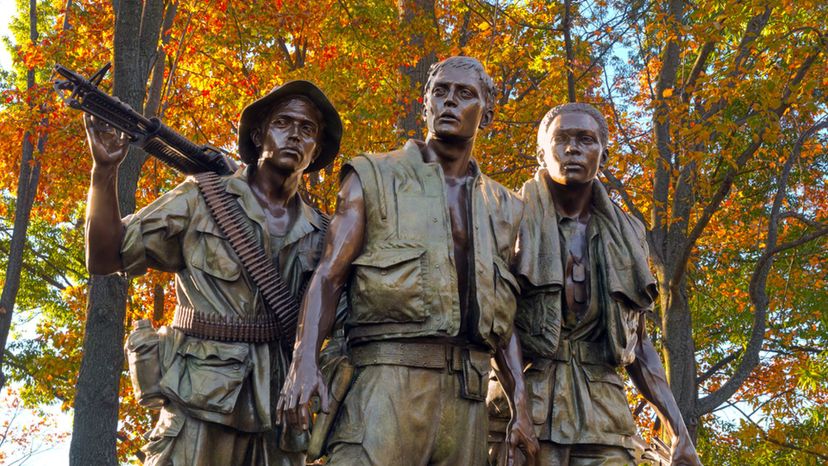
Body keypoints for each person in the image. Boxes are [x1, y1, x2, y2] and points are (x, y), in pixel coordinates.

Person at [277, 56, 539, 465]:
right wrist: (304, 359)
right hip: (387, 383)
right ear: (425, 105)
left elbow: (502, 320)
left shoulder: (507, 207)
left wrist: (520, 404)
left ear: (487, 115)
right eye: (441, 92)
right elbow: (329, 276)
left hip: (467, 399)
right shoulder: (372, 175)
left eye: (465, 94)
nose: (450, 101)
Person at [84, 80, 343, 466]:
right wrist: (103, 171)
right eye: (283, 123)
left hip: (280, 411)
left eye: (307, 130)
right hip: (200, 402)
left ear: (317, 149)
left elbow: (344, 324)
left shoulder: (325, 234)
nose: (294, 135)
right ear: (258, 135)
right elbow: (105, 258)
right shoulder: (202, 198)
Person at [488, 102, 702, 465]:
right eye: (561, 139)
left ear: (603, 155)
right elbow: (497, 322)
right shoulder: (507, 217)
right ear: (542, 153)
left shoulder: (628, 233)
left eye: (585, 140)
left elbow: (639, 344)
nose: (572, 148)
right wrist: (519, 407)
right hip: (526, 403)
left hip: (604, 411)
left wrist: (678, 427)